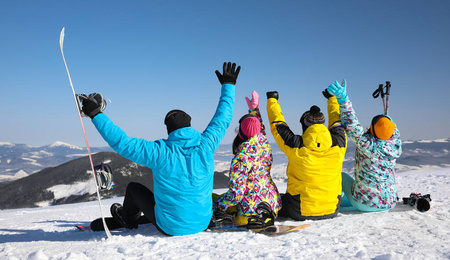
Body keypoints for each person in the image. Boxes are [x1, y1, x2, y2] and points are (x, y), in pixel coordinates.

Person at [81, 62, 241, 236]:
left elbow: (122, 142)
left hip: (170, 227)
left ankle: (128, 220)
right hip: (202, 222)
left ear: (169, 129)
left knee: (134, 189)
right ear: (189, 125)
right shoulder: (206, 144)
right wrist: (228, 85)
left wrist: (96, 114)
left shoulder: (160, 151)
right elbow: (223, 119)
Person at [266, 90, 347, 221]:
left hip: (299, 210)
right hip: (333, 208)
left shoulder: (296, 145)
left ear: (305, 125)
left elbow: (278, 126)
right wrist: (332, 99)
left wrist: (272, 101)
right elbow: (337, 123)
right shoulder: (339, 144)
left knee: (267, 199)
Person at [327, 80, 402, 212]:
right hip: (390, 202)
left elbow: (351, 122)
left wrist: (343, 99)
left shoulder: (366, 144)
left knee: (341, 176)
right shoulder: (395, 144)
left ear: (372, 129)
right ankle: (346, 201)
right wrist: (386, 122)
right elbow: (390, 128)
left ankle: (330, 202)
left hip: (366, 204)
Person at [213, 91, 282, 228]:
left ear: (240, 133)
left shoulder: (242, 157)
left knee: (213, 198)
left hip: (250, 213)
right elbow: (259, 129)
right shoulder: (264, 144)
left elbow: (236, 194)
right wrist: (254, 110)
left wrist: (216, 206)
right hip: (272, 206)